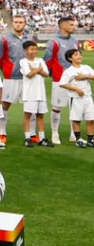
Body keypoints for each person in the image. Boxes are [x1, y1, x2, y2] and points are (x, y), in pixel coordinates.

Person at [0, 13, 36, 144]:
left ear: (25, 24)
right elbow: (0, 58)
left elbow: (33, 55)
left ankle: (32, 133)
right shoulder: (4, 39)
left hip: (28, 77)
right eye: (16, 22)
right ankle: (2, 132)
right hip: (11, 77)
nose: (18, 24)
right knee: (5, 104)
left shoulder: (30, 37)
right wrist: (7, 71)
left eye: (21, 22)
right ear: (12, 23)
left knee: (31, 104)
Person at [43, 16, 79, 145]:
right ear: (63, 26)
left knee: (74, 107)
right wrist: (53, 74)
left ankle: (73, 133)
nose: (74, 27)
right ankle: (54, 133)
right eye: (71, 25)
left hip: (74, 79)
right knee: (57, 107)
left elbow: (77, 58)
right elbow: (47, 60)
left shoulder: (75, 40)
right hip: (59, 80)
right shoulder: (53, 42)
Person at [19, 40, 52, 147]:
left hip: (40, 92)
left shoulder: (40, 60)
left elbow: (46, 74)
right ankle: (27, 137)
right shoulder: (23, 62)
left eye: (36, 49)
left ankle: (42, 138)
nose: (34, 51)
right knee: (28, 115)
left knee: (40, 115)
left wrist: (36, 70)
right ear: (25, 50)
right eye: (32, 49)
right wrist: (38, 69)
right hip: (30, 93)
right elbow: (29, 74)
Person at [59, 48, 94, 148]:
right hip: (75, 98)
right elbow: (62, 84)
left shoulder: (86, 68)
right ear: (70, 58)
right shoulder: (68, 71)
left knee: (91, 119)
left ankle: (90, 139)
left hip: (88, 97)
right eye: (76, 55)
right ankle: (78, 139)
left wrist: (85, 76)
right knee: (76, 119)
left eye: (79, 54)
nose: (79, 56)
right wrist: (75, 89)